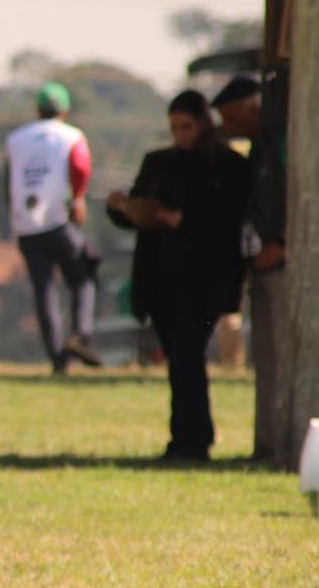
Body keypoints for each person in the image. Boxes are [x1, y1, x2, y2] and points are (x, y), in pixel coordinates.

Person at [106, 91, 251, 461]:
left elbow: (229, 219)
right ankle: (185, 437)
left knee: (188, 357)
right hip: (161, 278)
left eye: (186, 126)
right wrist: (122, 208)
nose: (180, 134)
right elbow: (139, 207)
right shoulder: (158, 162)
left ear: (202, 123)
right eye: (174, 127)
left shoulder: (227, 166)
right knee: (179, 360)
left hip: (203, 279)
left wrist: (183, 220)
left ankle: (194, 440)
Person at [212, 76, 286, 462]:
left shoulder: (283, 144)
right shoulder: (259, 150)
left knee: (283, 354)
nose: (229, 131)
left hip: (283, 260)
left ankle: (286, 445)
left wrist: (284, 243)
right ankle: (270, 445)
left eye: (232, 120)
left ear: (252, 109)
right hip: (259, 260)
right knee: (266, 355)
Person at [5, 82, 101, 374]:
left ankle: (58, 359)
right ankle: (80, 335)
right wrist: (79, 199)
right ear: (65, 110)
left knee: (44, 290)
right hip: (58, 221)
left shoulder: (15, 139)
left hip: (26, 226)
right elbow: (82, 167)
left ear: (38, 109)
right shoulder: (71, 136)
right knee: (83, 277)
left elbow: (8, 180)